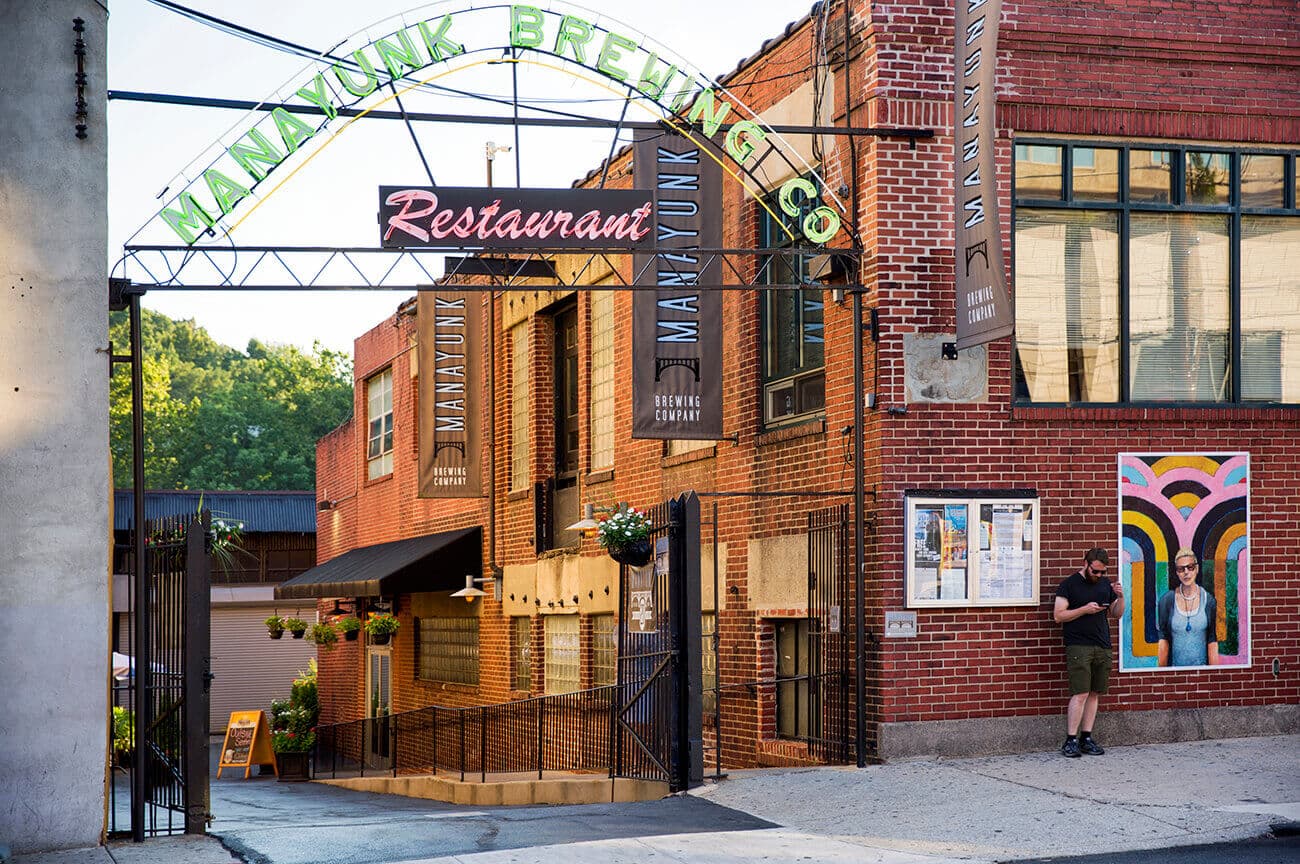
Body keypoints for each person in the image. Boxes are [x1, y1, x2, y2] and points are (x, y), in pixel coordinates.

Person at [1053, 547, 1125, 758]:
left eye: (1103, 572)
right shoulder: (1069, 585)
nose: (1100, 576)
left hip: (1102, 644)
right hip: (1079, 645)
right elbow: (1058, 615)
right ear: (1085, 564)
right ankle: (1070, 740)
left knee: (1095, 693)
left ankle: (1086, 737)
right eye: (1095, 572)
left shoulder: (1105, 584)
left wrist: (1121, 597)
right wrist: (1084, 609)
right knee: (1080, 692)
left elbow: (1117, 614)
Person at [1157, 548, 1219, 667]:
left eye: (1190, 567)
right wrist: (1161, 675)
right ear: (1177, 572)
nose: (1186, 572)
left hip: (1202, 671)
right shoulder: (1167, 601)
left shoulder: (1209, 600)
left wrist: (1214, 674)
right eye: (1181, 569)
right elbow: (1163, 640)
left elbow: (1212, 640)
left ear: (1197, 569)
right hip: (1175, 672)